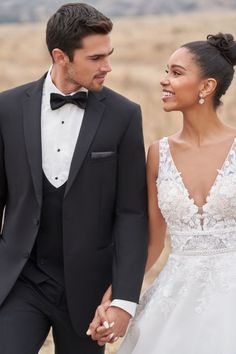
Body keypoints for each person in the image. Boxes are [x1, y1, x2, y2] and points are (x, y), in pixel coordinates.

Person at [0, 3, 147, 354]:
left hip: (88, 291)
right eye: (95, 58)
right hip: (21, 280)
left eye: (108, 55)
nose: (107, 67)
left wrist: (124, 300)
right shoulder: (7, 108)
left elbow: (132, 214)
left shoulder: (124, 115)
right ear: (60, 56)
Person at [89, 32, 236, 353]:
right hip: (176, 294)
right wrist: (117, 297)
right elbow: (153, 243)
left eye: (176, 73)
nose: (164, 81)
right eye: (166, 71)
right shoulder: (159, 153)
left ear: (207, 86)